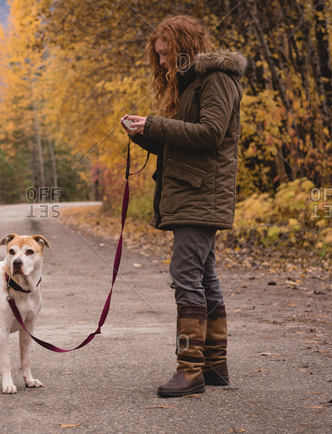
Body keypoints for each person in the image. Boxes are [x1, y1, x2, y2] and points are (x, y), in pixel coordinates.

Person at [121, 15, 246, 398]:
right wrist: (144, 134)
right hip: (191, 194)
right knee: (204, 278)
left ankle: (190, 371)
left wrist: (155, 124)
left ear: (184, 48)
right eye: (158, 56)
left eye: (164, 54)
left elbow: (210, 136)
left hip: (201, 195)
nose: (160, 62)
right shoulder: (192, 85)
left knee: (186, 276)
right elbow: (180, 143)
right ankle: (214, 366)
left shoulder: (217, 81)